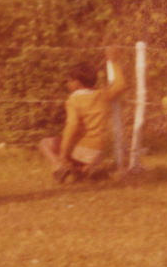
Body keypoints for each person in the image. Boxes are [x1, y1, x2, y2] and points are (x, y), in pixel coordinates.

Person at [38, 51, 128, 183]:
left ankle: (59, 168)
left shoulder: (74, 101)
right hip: (97, 152)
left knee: (44, 144)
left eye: (69, 81)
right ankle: (87, 169)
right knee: (79, 165)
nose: (67, 84)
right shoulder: (102, 94)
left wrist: (63, 154)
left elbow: (72, 126)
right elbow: (121, 85)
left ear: (77, 83)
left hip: (79, 149)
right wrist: (113, 61)